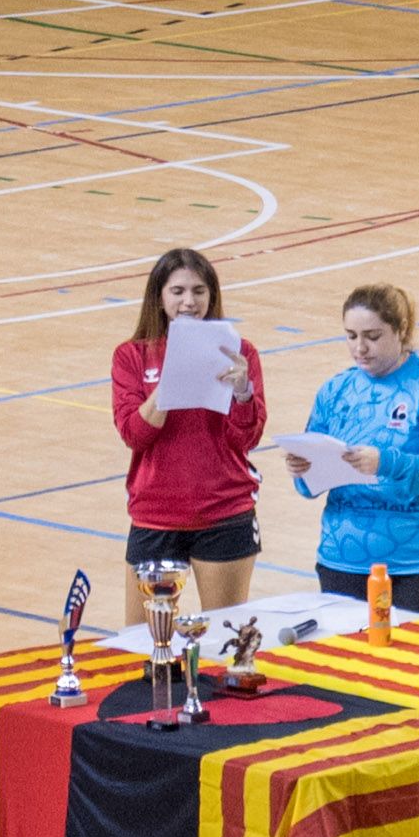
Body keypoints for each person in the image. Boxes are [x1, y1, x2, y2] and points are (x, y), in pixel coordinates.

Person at [298, 283, 419, 615]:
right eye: (351, 336)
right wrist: (304, 471)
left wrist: (385, 463)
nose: (360, 348)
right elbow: (309, 484)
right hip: (344, 557)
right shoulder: (335, 391)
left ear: (401, 330)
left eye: (373, 336)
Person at [112, 245, 267, 608]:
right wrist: (170, 384)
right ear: (159, 297)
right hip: (156, 516)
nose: (189, 302)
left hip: (224, 513)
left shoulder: (239, 352)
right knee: (144, 646)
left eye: (199, 291)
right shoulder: (132, 356)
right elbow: (134, 434)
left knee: (224, 640)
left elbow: (247, 438)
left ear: (212, 296)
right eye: (178, 291)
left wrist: (243, 391)